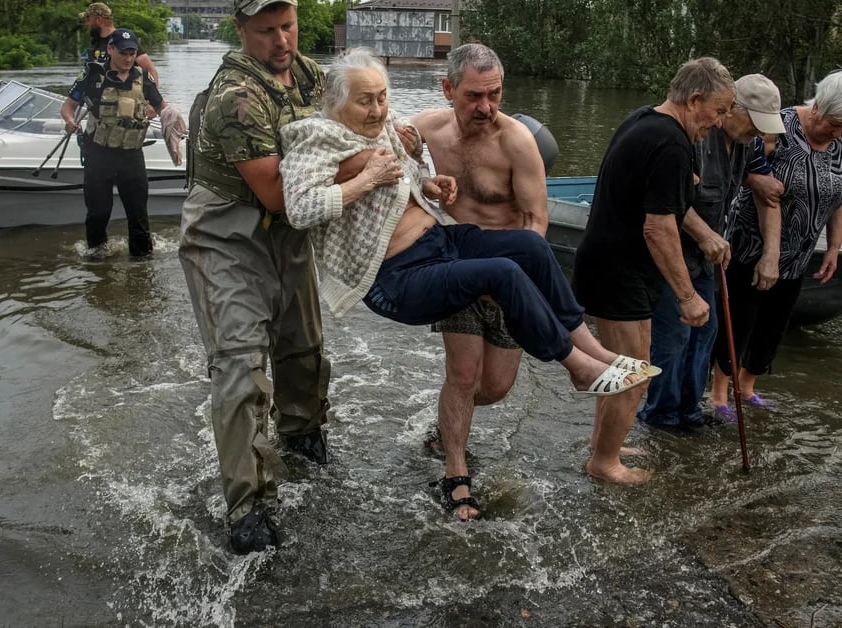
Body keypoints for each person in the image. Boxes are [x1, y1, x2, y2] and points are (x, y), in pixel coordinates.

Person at [277, 48, 652, 500]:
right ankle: (568, 375)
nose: (378, 109)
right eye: (365, 100)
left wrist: (429, 184)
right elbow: (299, 208)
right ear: (449, 90)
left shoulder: (485, 137)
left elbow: (413, 176)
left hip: (448, 245)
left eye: (381, 97)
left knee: (528, 255)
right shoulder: (318, 136)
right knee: (468, 362)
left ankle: (590, 351)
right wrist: (367, 177)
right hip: (400, 274)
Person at [177, 0, 330, 555]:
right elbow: (279, 193)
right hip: (227, 235)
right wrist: (367, 171)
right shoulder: (234, 98)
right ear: (241, 30)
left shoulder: (307, 72)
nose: (281, 40)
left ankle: (303, 436)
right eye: (266, 31)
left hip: (287, 233)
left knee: (303, 345)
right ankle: (248, 505)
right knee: (240, 366)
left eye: (287, 26)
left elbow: (355, 112)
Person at [573, 58, 734, 483]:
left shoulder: (645, 120)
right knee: (634, 375)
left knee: (619, 369)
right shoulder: (672, 144)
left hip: (606, 262)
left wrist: (704, 237)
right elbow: (659, 226)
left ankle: (601, 444)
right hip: (619, 270)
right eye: (718, 111)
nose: (719, 123)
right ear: (694, 99)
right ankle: (605, 464)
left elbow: (670, 204)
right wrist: (687, 295)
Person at [409, 43, 548, 521]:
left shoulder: (516, 142)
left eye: (495, 95)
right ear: (448, 89)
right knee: (463, 377)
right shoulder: (427, 128)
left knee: (494, 387)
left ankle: (443, 429)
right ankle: (455, 475)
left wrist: (514, 278)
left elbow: (536, 221)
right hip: (456, 268)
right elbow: (378, 142)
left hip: (507, 277)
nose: (486, 107)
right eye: (473, 96)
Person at [711, 70, 842, 416]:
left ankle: (747, 386)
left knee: (774, 322)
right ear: (820, 107)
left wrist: (833, 247)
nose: (841, 131)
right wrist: (759, 185)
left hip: (800, 249)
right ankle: (719, 393)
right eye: (837, 123)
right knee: (740, 317)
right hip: (752, 242)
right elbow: (745, 168)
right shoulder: (777, 125)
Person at [637, 74, 785, 428]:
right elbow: (667, 200)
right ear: (732, 109)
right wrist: (705, 235)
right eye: (756, 123)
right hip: (676, 253)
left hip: (708, 261)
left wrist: (770, 254)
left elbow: (767, 194)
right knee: (674, 337)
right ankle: (661, 416)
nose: (761, 135)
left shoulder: (747, 144)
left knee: (707, 332)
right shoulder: (696, 136)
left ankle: (689, 412)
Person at [61, 27, 168, 258]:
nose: (129, 58)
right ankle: (97, 266)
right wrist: (70, 122)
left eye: (132, 53)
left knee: (138, 216)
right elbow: (68, 106)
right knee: (98, 213)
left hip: (132, 157)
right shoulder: (93, 75)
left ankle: (142, 269)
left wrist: (173, 120)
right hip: (99, 155)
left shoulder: (142, 78)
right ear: (110, 49)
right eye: (123, 53)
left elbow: (162, 107)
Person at [78, 3, 158, 83]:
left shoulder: (124, 40)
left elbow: (150, 70)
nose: (86, 24)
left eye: (88, 20)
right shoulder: (96, 41)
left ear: (99, 20)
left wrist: (152, 93)